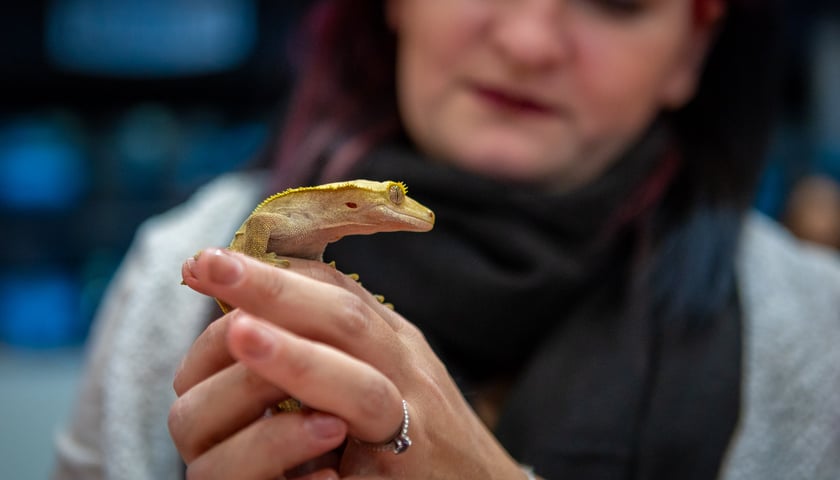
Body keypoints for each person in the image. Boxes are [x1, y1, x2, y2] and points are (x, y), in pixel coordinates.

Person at [52, 0, 840, 479]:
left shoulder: (815, 338)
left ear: (694, 49)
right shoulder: (172, 272)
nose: (530, 41)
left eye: (615, 0)